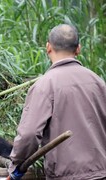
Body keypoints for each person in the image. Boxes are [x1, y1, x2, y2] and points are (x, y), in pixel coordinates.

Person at [8, 24, 106, 180]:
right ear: (78, 49)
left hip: (65, 176)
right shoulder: (98, 82)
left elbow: (29, 134)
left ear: (48, 47)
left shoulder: (44, 85)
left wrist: (15, 165)